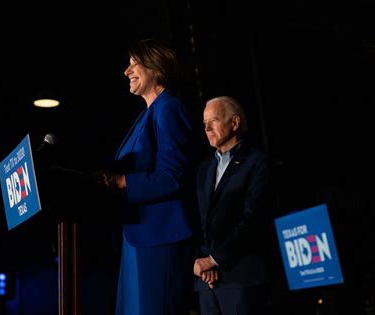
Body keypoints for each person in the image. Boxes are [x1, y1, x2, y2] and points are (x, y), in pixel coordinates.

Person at [101, 38, 197, 315]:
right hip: (137, 238)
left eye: (134, 63)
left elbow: (173, 175)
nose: (126, 71)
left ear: (156, 66)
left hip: (160, 237)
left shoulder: (169, 108)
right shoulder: (147, 114)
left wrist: (122, 182)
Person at [193, 96, 271, 314]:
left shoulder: (257, 162)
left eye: (213, 120)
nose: (207, 128)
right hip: (207, 283)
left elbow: (253, 218)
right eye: (204, 123)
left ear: (234, 123)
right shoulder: (203, 170)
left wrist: (214, 259)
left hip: (241, 278)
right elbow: (197, 220)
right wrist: (202, 262)